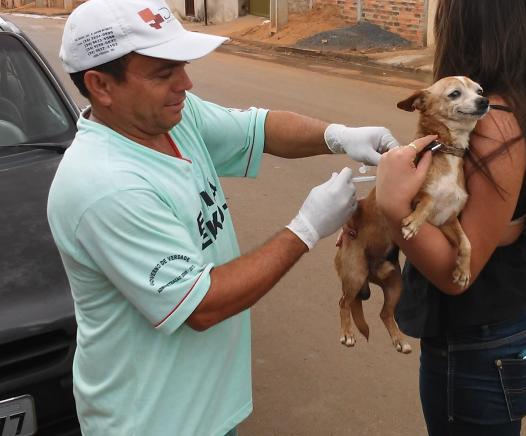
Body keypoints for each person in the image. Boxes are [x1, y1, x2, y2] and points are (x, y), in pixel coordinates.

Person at [46, 0, 401, 435]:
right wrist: (306, 228)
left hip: (209, 412)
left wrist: (339, 136)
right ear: (101, 86)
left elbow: (258, 129)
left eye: (182, 65)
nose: (185, 83)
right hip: (153, 422)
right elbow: (201, 305)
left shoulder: (171, 119)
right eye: (163, 73)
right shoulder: (104, 185)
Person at [373, 0, 526, 434]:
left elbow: (456, 273)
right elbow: (443, 203)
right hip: (497, 331)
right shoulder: (509, 104)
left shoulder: (492, 122)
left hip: (479, 346)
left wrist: (392, 206)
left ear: (467, 21)